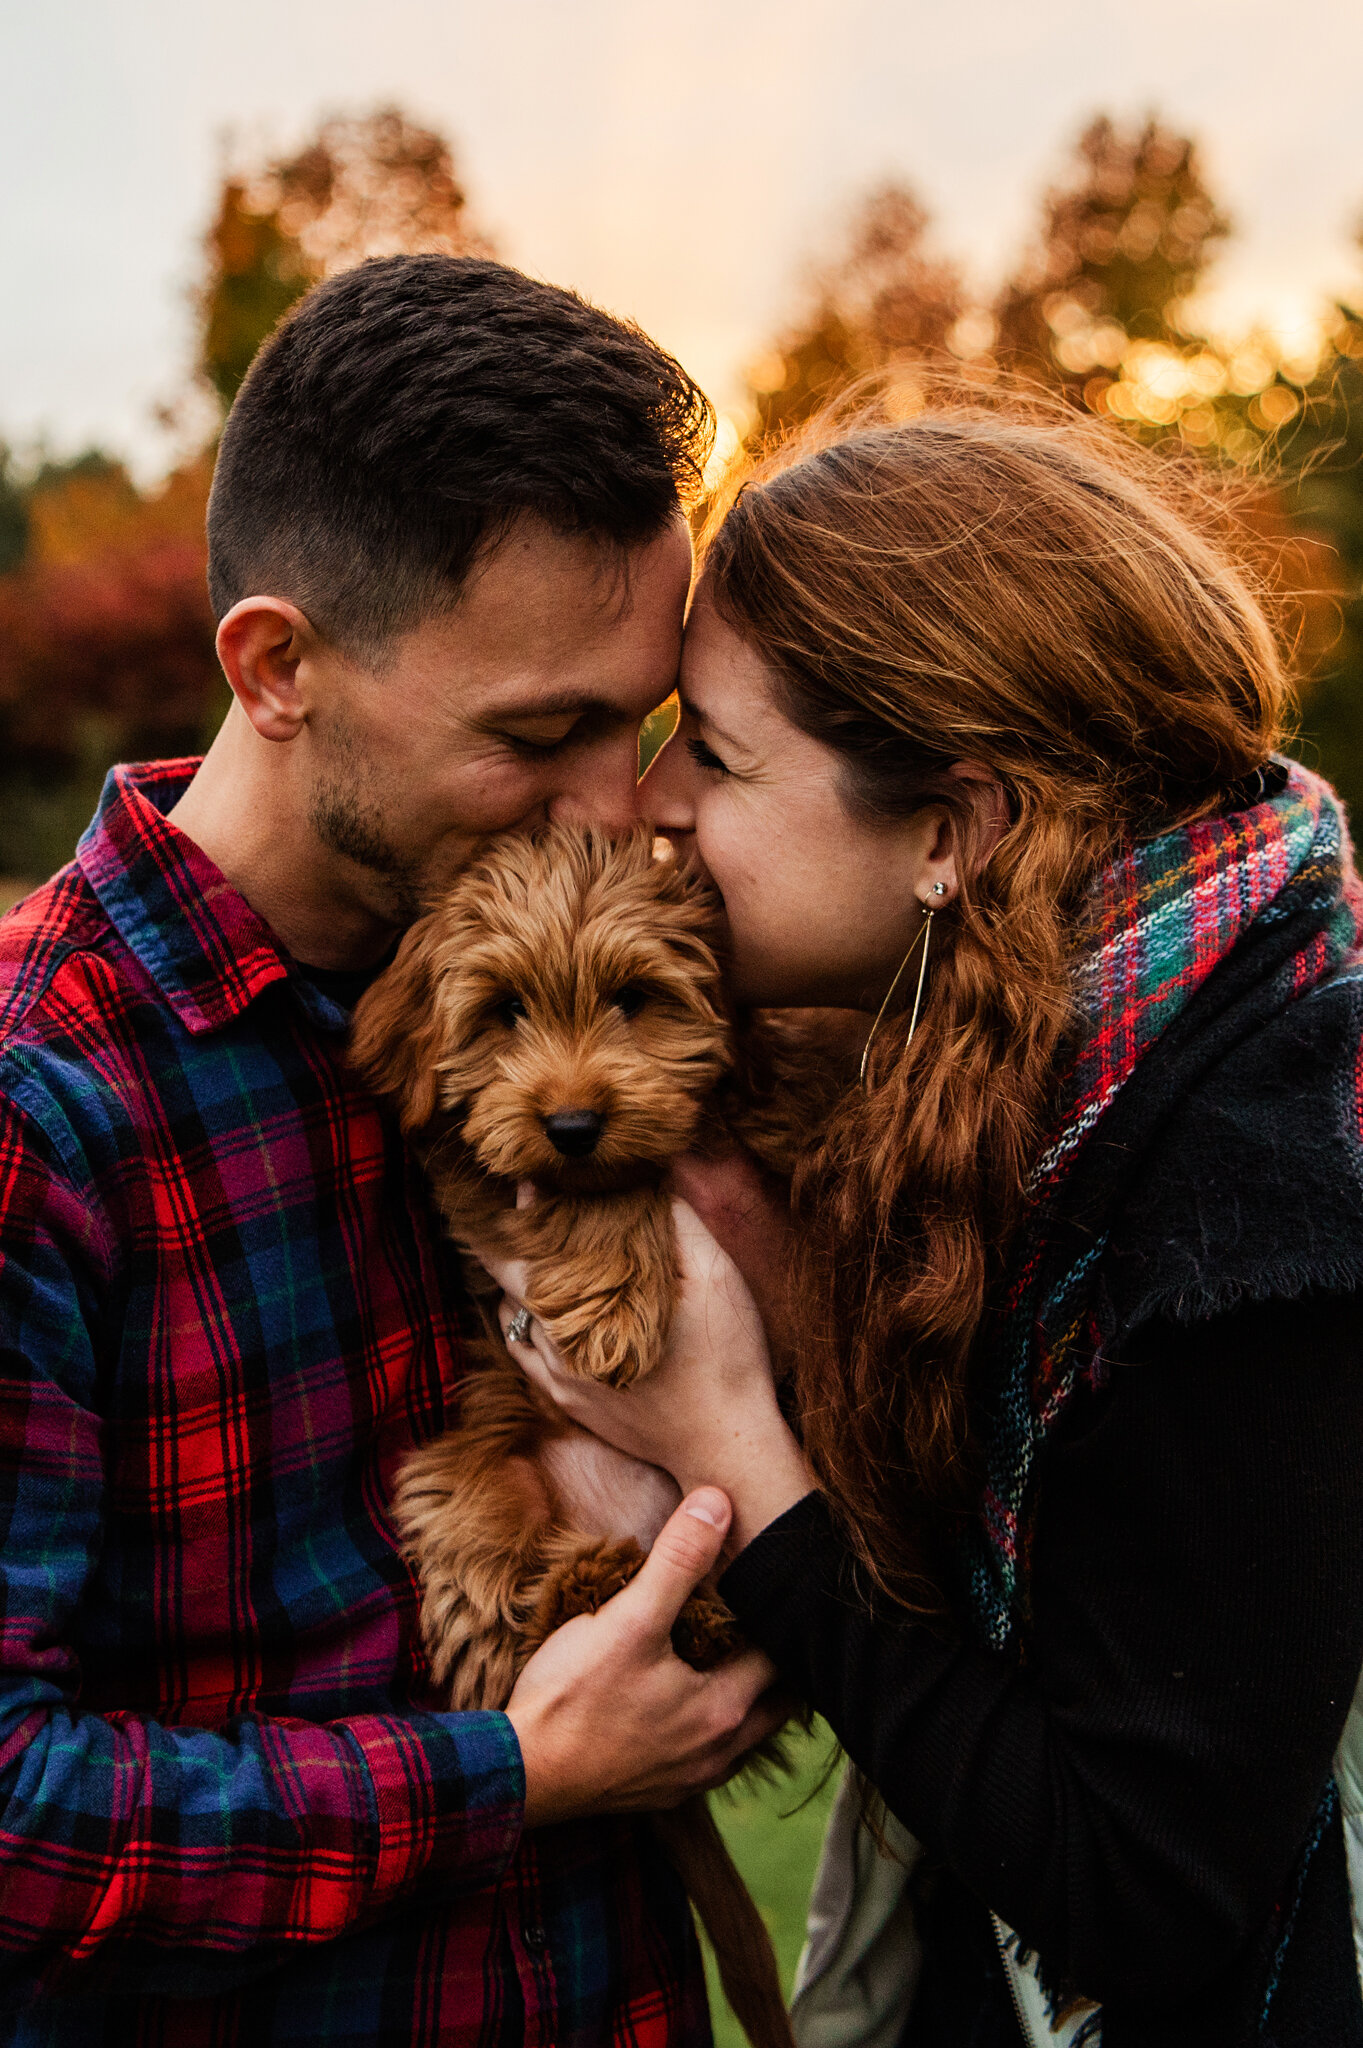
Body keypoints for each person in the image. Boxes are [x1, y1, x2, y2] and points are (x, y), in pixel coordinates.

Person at [490, 399, 1363, 2048]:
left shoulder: (1256, 1197)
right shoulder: (1015, 1062)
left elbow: (1147, 1891)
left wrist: (737, 1450)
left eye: (721, 754)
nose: (653, 800)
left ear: (954, 835)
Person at [0, 254, 783, 2044]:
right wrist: (513, 1772)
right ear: (277, 668)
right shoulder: (42, 1108)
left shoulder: (600, 994)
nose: (621, 808)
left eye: (641, 721)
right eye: (543, 731)